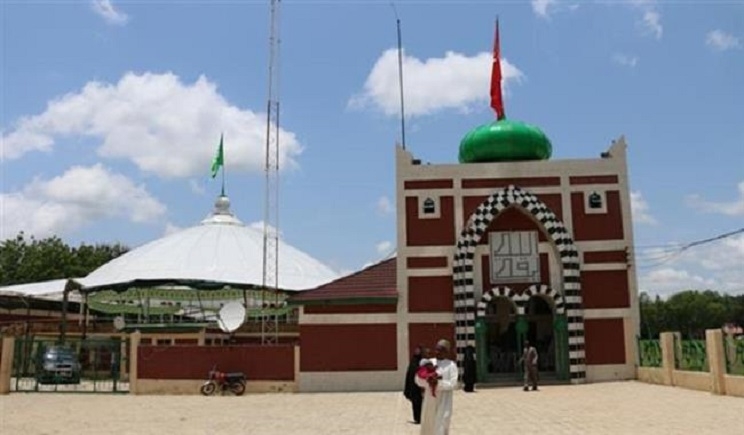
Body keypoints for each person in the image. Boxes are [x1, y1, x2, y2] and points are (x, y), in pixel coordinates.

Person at [416, 339, 458, 435]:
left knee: (442, 425)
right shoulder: (429, 362)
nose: (437, 352)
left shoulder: (451, 365)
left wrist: (437, 383)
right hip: (430, 399)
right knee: (428, 424)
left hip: (444, 401)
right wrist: (429, 382)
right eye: (437, 349)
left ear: (447, 352)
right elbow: (418, 379)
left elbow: (453, 383)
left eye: (441, 349)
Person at [403, 346, 424, 424]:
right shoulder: (413, 362)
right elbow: (409, 375)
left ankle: (421, 418)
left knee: (420, 403)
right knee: (415, 403)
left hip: (419, 386)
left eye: (419, 350)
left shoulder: (421, 361)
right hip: (413, 387)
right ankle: (417, 418)